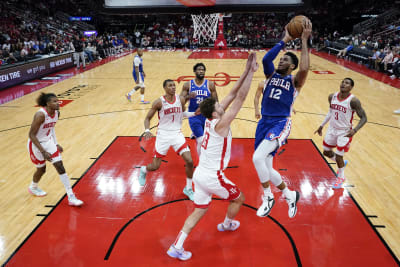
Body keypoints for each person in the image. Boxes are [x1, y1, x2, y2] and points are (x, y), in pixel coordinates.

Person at [166, 53, 258, 261]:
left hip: (200, 175)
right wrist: (252, 73)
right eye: (218, 106)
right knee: (239, 198)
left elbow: (233, 93)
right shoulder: (220, 124)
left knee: (199, 210)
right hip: (212, 176)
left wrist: (245, 70)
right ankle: (227, 224)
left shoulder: (209, 119)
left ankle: (177, 246)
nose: (221, 105)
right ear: (215, 113)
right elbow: (241, 98)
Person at [252, 19, 312, 219]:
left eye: (285, 60)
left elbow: (304, 69)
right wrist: (284, 39)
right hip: (264, 123)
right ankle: (289, 194)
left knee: (257, 158)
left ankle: (268, 197)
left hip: (280, 122)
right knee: (267, 168)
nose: (281, 61)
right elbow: (266, 60)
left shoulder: (294, 81)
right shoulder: (270, 75)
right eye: (281, 59)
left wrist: (303, 41)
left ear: (292, 66)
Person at [138, 79, 199, 200]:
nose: (173, 87)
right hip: (163, 136)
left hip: (177, 134)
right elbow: (147, 118)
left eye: (174, 86)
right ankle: (144, 170)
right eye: (170, 86)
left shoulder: (180, 99)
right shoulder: (158, 102)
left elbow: (182, 114)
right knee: (155, 166)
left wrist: (194, 113)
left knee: (190, 161)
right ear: (165, 88)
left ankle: (188, 188)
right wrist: (147, 130)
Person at [27, 93, 83, 206]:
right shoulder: (40, 115)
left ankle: (71, 196)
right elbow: (31, 135)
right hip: (36, 144)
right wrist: (43, 151)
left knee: (60, 166)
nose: (58, 103)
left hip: (48, 142)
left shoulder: (57, 113)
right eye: (54, 101)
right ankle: (33, 187)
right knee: (41, 170)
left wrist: (56, 144)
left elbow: (51, 128)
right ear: (47, 104)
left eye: (58, 101)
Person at [314, 78, 367, 188]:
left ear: (351, 87)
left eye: (347, 83)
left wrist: (355, 130)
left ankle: (341, 177)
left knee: (339, 156)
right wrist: (321, 125)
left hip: (345, 132)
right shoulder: (332, 96)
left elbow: (364, 118)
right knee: (326, 152)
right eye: (343, 82)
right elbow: (330, 112)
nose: (343, 84)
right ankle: (342, 163)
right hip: (332, 129)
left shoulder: (353, 101)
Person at [180, 63, 218, 157]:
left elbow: (216, 101)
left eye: (203, 70)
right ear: (194, 71)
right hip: (194, 116)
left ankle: (195, 133)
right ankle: (202, 163)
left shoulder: (210, 84)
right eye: (199, 69)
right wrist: (188, 96)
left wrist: (217, 114)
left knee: (209, 141)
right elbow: (180, 102)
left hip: (207, 116)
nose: (201, 71)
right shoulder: (187, 85)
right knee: (201, 140)